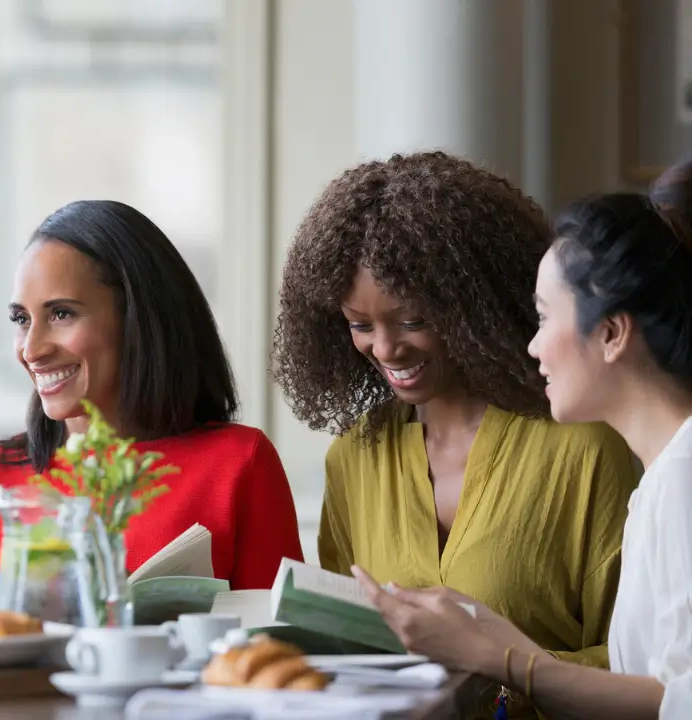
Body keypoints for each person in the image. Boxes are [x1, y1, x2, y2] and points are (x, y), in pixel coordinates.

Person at [271, 152, 639, 716]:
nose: (387, 349)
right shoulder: (354, 459)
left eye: (413, 320)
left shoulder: (583, 449)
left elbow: (640, 666)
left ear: (474, 304)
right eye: (360, 325)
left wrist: (500, 670)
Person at [354, 161, 692, 719]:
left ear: (610, 333)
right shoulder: (662, 477)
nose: (531, 347)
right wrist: (490, 632)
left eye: (542, 317)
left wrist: (502, 657)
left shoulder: (681, 478)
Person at [0, 199, 303, 603]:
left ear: (138, 319)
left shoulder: (240, 464)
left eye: (61, 314)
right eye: (22, 319)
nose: (31, 349)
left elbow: (278, 651)